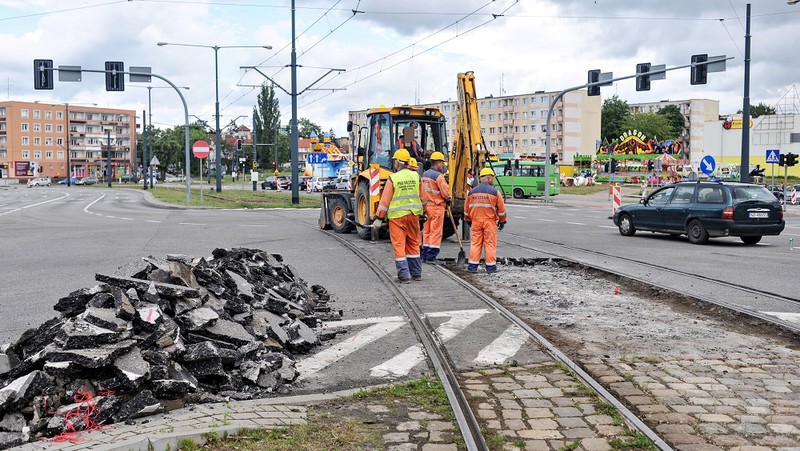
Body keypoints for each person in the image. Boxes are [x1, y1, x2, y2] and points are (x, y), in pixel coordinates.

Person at [373, 148, 424, 283]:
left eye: (395, 160)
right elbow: (423, 199)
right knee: (413, 243)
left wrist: (379, 218)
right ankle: (416, 273)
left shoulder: (393, 178)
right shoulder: (416, 176)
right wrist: (423, 213)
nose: (394, 162)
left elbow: (385, 201)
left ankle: (404, 276)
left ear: (398, 162)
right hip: (413, 216)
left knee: (399, 245)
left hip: (397, 217)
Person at [464, 168, 507, 274]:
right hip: (489, 222)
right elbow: (501, 210)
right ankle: (491, 267)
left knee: (475, 244)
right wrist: (502, 221)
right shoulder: (495, 192)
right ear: (489, 178)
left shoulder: (472, 192)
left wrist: (468, 220)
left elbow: (466, 209)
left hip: (476, 221)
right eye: (492, 178)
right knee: (490, 244)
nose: (493, 180)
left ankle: (472, 267)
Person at [420, 151, 451, 264]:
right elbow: (445, 193)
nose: (442, 165)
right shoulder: (439, 176)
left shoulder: (424, 175)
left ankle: (424, 254)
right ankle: (432, 256)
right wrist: (449, 199)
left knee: (427, 231)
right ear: (438, 163)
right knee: (436, 232)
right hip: (437, 207)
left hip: (426, 206)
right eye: (442, 163)